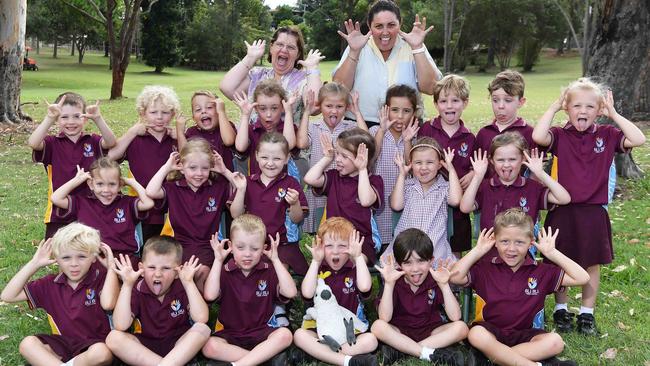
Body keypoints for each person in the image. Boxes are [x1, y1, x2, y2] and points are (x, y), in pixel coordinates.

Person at [532, 78, 646, 335]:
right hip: (563, 210)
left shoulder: (607, 135)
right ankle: (561, 309)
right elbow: (538, 136)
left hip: (594, 211)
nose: (582, 111)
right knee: (559, 260)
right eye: (576, 106)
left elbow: (638, 139)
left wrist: (614, 114)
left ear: (599, 110)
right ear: (567, 108)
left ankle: (586, 315)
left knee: (591, 264)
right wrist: (553, 107)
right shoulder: (560, 135)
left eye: (590, 106)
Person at [450, 208, 590, 366]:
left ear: (531, 242)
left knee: (555, 342)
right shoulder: (485, 268)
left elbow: (582, 277)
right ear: (495, 241)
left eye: (519, 242)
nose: (511, 248)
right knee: (476, 334)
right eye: (504, 241)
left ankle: (495, 360)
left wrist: (552, 253)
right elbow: (454, 276)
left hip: (526, 335)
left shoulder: (541, 271)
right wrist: (478, 250)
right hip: (491, 332)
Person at [1, 223, 118, 366]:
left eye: (81, 256)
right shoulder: (50, 284)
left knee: (101, 353)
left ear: (94, 257)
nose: (74, 264)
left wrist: (111, 268)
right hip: (63, 345)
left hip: (95, 345)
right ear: (56, 258)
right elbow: (8, 296)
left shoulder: (102, 278)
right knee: (28, 344)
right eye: (66, 258)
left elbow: (108, 303)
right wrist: (34, 263)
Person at [202, 214, 297, 365]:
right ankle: (260, 358)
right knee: (209, 346)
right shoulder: (224, 270)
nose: (247, 254)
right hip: (231, 333)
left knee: (285, 335)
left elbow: (291, 292)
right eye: (240, 247)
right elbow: (209, 295)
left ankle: (241, 363)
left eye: (254, 248)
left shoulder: (269, 270)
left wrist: (276, 260)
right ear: (231, 247)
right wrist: (218, 260)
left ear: (264, 249)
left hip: (262, 331)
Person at [146, 138, 241, 288]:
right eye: (192, 168)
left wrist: (224, 171)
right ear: (182, 168)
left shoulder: (218, 188)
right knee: (177, 273)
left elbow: (241, 187)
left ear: (211, 167)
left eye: (204, 168)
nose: (199, 173)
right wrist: (167, 167)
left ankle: (197, 307)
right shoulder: (174, 188)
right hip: (179, 245)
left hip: (207, 245)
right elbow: (150, 191)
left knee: (201, 272)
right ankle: (183, 304)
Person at [333, 0, 442, 126]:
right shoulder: (357, 45)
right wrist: (354, 52)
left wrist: (417, 48)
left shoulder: (412, 45)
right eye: (379, 26)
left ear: (400, 23)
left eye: (391, 25)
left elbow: (430, 88)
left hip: (406, 127)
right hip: (359, 125)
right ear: (369, 25)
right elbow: (339, 89)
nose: (385, 32)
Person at [106, 236, 211, 365]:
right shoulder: (136, 288)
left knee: (202, 329)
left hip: (178, 348)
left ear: (177, 271)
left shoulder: (183, 286)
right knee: (113, 338)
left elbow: (202, 318)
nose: (158, 274)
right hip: (145, 350)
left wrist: (189, 283)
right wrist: (127, 285)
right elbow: (120, 325)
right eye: (151, 267)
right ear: (141, 269)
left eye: (166, 268)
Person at [372, 228, 468, 366]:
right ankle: (428, 353)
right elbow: (384, 318)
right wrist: (388, 284)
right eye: (408, 262)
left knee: (461, 328)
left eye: (421, 261)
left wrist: (444, 285)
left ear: (431, 261)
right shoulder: (395, 280)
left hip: (430, 331)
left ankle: (402, 350)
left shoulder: (434, 279)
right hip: (400, 331)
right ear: (399, 264)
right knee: (378, 326)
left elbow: (455, 317)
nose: (415, 268)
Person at [28, 92, 117, 239]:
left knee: (90, 250)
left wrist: (98, 119)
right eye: (64, 117)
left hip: (92, 207)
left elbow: (111, 142)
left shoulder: (93, 140)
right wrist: (49, 117)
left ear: (85, 119)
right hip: (60, 210)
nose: (71, 122)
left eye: (77, 116)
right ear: (57, 120)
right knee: (58, 253)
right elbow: (33, 143)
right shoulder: (52, 143)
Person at [293, 217, 379, 366]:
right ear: (321, 246)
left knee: (371, 341)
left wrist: (358, 257)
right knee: (300, 335)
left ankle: (321, 353)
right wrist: (316, 261)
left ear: (351, 246)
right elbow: (307, 293)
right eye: (329, 245)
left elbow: (365, 287)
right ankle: (348, 360)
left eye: (342, 246)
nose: (335, 251)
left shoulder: (354, 268)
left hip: (350, 331)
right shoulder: (318, 269)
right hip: (321, 329)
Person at [408, 74, 474, 257]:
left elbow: (476, 164)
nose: (449, 106)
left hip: (456, 202)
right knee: (426, 243)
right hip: (429, 200)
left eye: (455, 100)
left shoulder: (469, 137)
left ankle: (454, 283)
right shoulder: (427, 129)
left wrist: (473, 173)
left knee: (455, 244)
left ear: (465, 103)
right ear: (436, 105)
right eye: (444, 101)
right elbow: (416, 158)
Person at [229, 132, 309, 275]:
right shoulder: (247, 182)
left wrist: (295, 203)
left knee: (278, 273)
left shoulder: (290, 183)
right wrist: (241, 190)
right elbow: (235, 214)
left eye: (277, 158)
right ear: (257, 156)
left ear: (286, 159)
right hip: (252, 244)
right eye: (265, 157)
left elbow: (296, 219)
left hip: (281, 243)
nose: (270, 163)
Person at [108, 85, 180, 243]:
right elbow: (110, 157)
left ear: (173, 114)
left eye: (165, 112)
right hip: (141, 204)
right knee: (144, 246)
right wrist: (132, 132)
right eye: (153, 112)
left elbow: (192, 161)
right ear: (143, 113)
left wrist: (180, 136)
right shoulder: (136, 138)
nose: (159, 117)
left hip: (172, 205)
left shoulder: (175, 139)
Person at [50, 157, 154, 267]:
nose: (106, 190)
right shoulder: (82, 203)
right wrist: (77, 180)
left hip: (124, 258)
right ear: (91, 184)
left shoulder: (126, 203)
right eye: (100, 184)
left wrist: (131, 182)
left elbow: (148, 203)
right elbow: (56, 198)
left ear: (120, 185)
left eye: (112, 184)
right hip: (94, 257)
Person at [459, 132, 570, 232]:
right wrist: (477, 177)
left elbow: (564, 198)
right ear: (492, 161)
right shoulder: (486, 186)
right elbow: (465, 208)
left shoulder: (533, 188)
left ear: (523, 159)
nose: (506, 165)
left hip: (522, 251)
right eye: (500, 160)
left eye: (512, 159)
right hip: (490, 251)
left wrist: (541, 173)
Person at [304, 128, 384, 264]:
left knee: (354, 262)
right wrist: (327, 158)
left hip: (360, 241)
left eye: (345, 156)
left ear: (363, 158)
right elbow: (309, 179)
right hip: (333, 240)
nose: (338, 159)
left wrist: (362, 169)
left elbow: (365, 201)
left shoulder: (374, 181)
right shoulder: (334, 177)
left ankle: (355, 285)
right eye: (337, 154)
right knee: (327, 263)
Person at [296, 82, 367, 233]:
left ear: (346, 107)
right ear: (320, 106)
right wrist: (307, 113)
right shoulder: (314, 127)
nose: (334, 111)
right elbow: (301, 143)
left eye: (339, 107)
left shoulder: (350, 127)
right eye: (328, 106)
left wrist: (357, 113)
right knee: (321, 230)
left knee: (342, 228)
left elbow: (366, 140)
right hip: (319, 185)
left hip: (344, 188)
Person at [219, 26, 324, 124]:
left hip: (288, 142)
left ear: (298, 54)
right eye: (279, 44)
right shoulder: (257, 75)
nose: (284, 50)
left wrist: (312, 69)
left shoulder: (304, 79)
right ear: (271, 47)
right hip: (254, 141)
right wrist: (250, 57)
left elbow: (314, 107)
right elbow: (227, 87)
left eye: (291, 47)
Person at [383, 137, 461, 262]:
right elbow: (396, 205)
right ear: (411, 164)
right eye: (418, 163)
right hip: (404, 245)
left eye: (429, 162)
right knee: (396, 266)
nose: (423, 167)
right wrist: (402, 175)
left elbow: (456, 200)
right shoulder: (407, 186)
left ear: (440, 164)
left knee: (441, 268)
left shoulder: (444, 187)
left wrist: (451, 169)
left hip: (434, 246)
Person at [369, 84, 419, 247]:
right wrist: (382, 131)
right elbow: (371, 158)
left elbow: (411, 167)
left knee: (401, 241)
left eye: (406, 111)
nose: (400, 116)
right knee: (381, 241)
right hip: (380, 197)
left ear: (414, 113)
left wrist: (407, 141)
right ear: (386, 110)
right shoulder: (375, 131)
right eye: (395, 110)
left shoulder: (415, 136)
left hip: (403, 198)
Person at [233, 79, 298, 177]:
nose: (268, 114)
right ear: (255, 108)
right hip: (257, 185)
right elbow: (240, 147)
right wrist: (246, 115)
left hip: (282, 186)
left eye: (274, 108)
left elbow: (289, 145)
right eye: (263, 108)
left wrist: (288, 112)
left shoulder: (288, 129)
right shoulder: (252, 129)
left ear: (282, 107)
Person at [474, 70, 538, 155]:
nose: (500, 106)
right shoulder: (483, 133)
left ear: (520, 102)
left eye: (508, 100)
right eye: (495, 100)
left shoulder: (530, 133)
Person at [176, 90, 237, 171]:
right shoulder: (192, 132)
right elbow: (185, 156)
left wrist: (221, 112)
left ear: (218, 111)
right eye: (198, 109)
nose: (203, 111)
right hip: (202, 179)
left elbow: (229, 141)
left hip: (227, 179)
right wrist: (180, 132)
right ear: (193, 117)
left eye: (209, 107)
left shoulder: (225, 126)